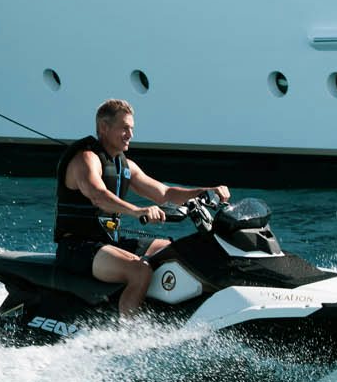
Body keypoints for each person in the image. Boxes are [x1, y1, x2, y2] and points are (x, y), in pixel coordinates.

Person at [55, 99, 230, 317]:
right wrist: (138, 211)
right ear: (104, 127)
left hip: (109, 243)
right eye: (124, 128)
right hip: (77, 248)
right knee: (140, 271)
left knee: (174, 252)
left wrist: (206, 191)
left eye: (132, 128)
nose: (130, 134)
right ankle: (128, 332)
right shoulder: (85, 159)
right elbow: (98, 196)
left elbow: (165, 194)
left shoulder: (124, 165)